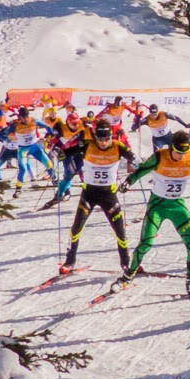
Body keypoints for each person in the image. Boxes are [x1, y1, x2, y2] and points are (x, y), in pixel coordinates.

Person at [118, 129, 190, 295]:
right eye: (177, 153)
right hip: (158, 206)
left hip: (178, 206)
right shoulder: (160, 156)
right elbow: (141, 171)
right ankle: (128, 275)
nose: (181, 157)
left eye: (184, 152)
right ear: (171, 148)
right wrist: (127, 183)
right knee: (146, 243)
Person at [58, 114, 135, 276]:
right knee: (76, 229)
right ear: (95, 137)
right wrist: (61, 153)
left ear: (110, 137)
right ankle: (69, 261)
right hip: (89, 194)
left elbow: (135, 159)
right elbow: (67, 152)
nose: (103, 142)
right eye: (100, 139)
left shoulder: (118, 146)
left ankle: (126, 263)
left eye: (106, 139)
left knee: (120, 231)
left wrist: (132, 160)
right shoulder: (87, 145)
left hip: (109, 195)